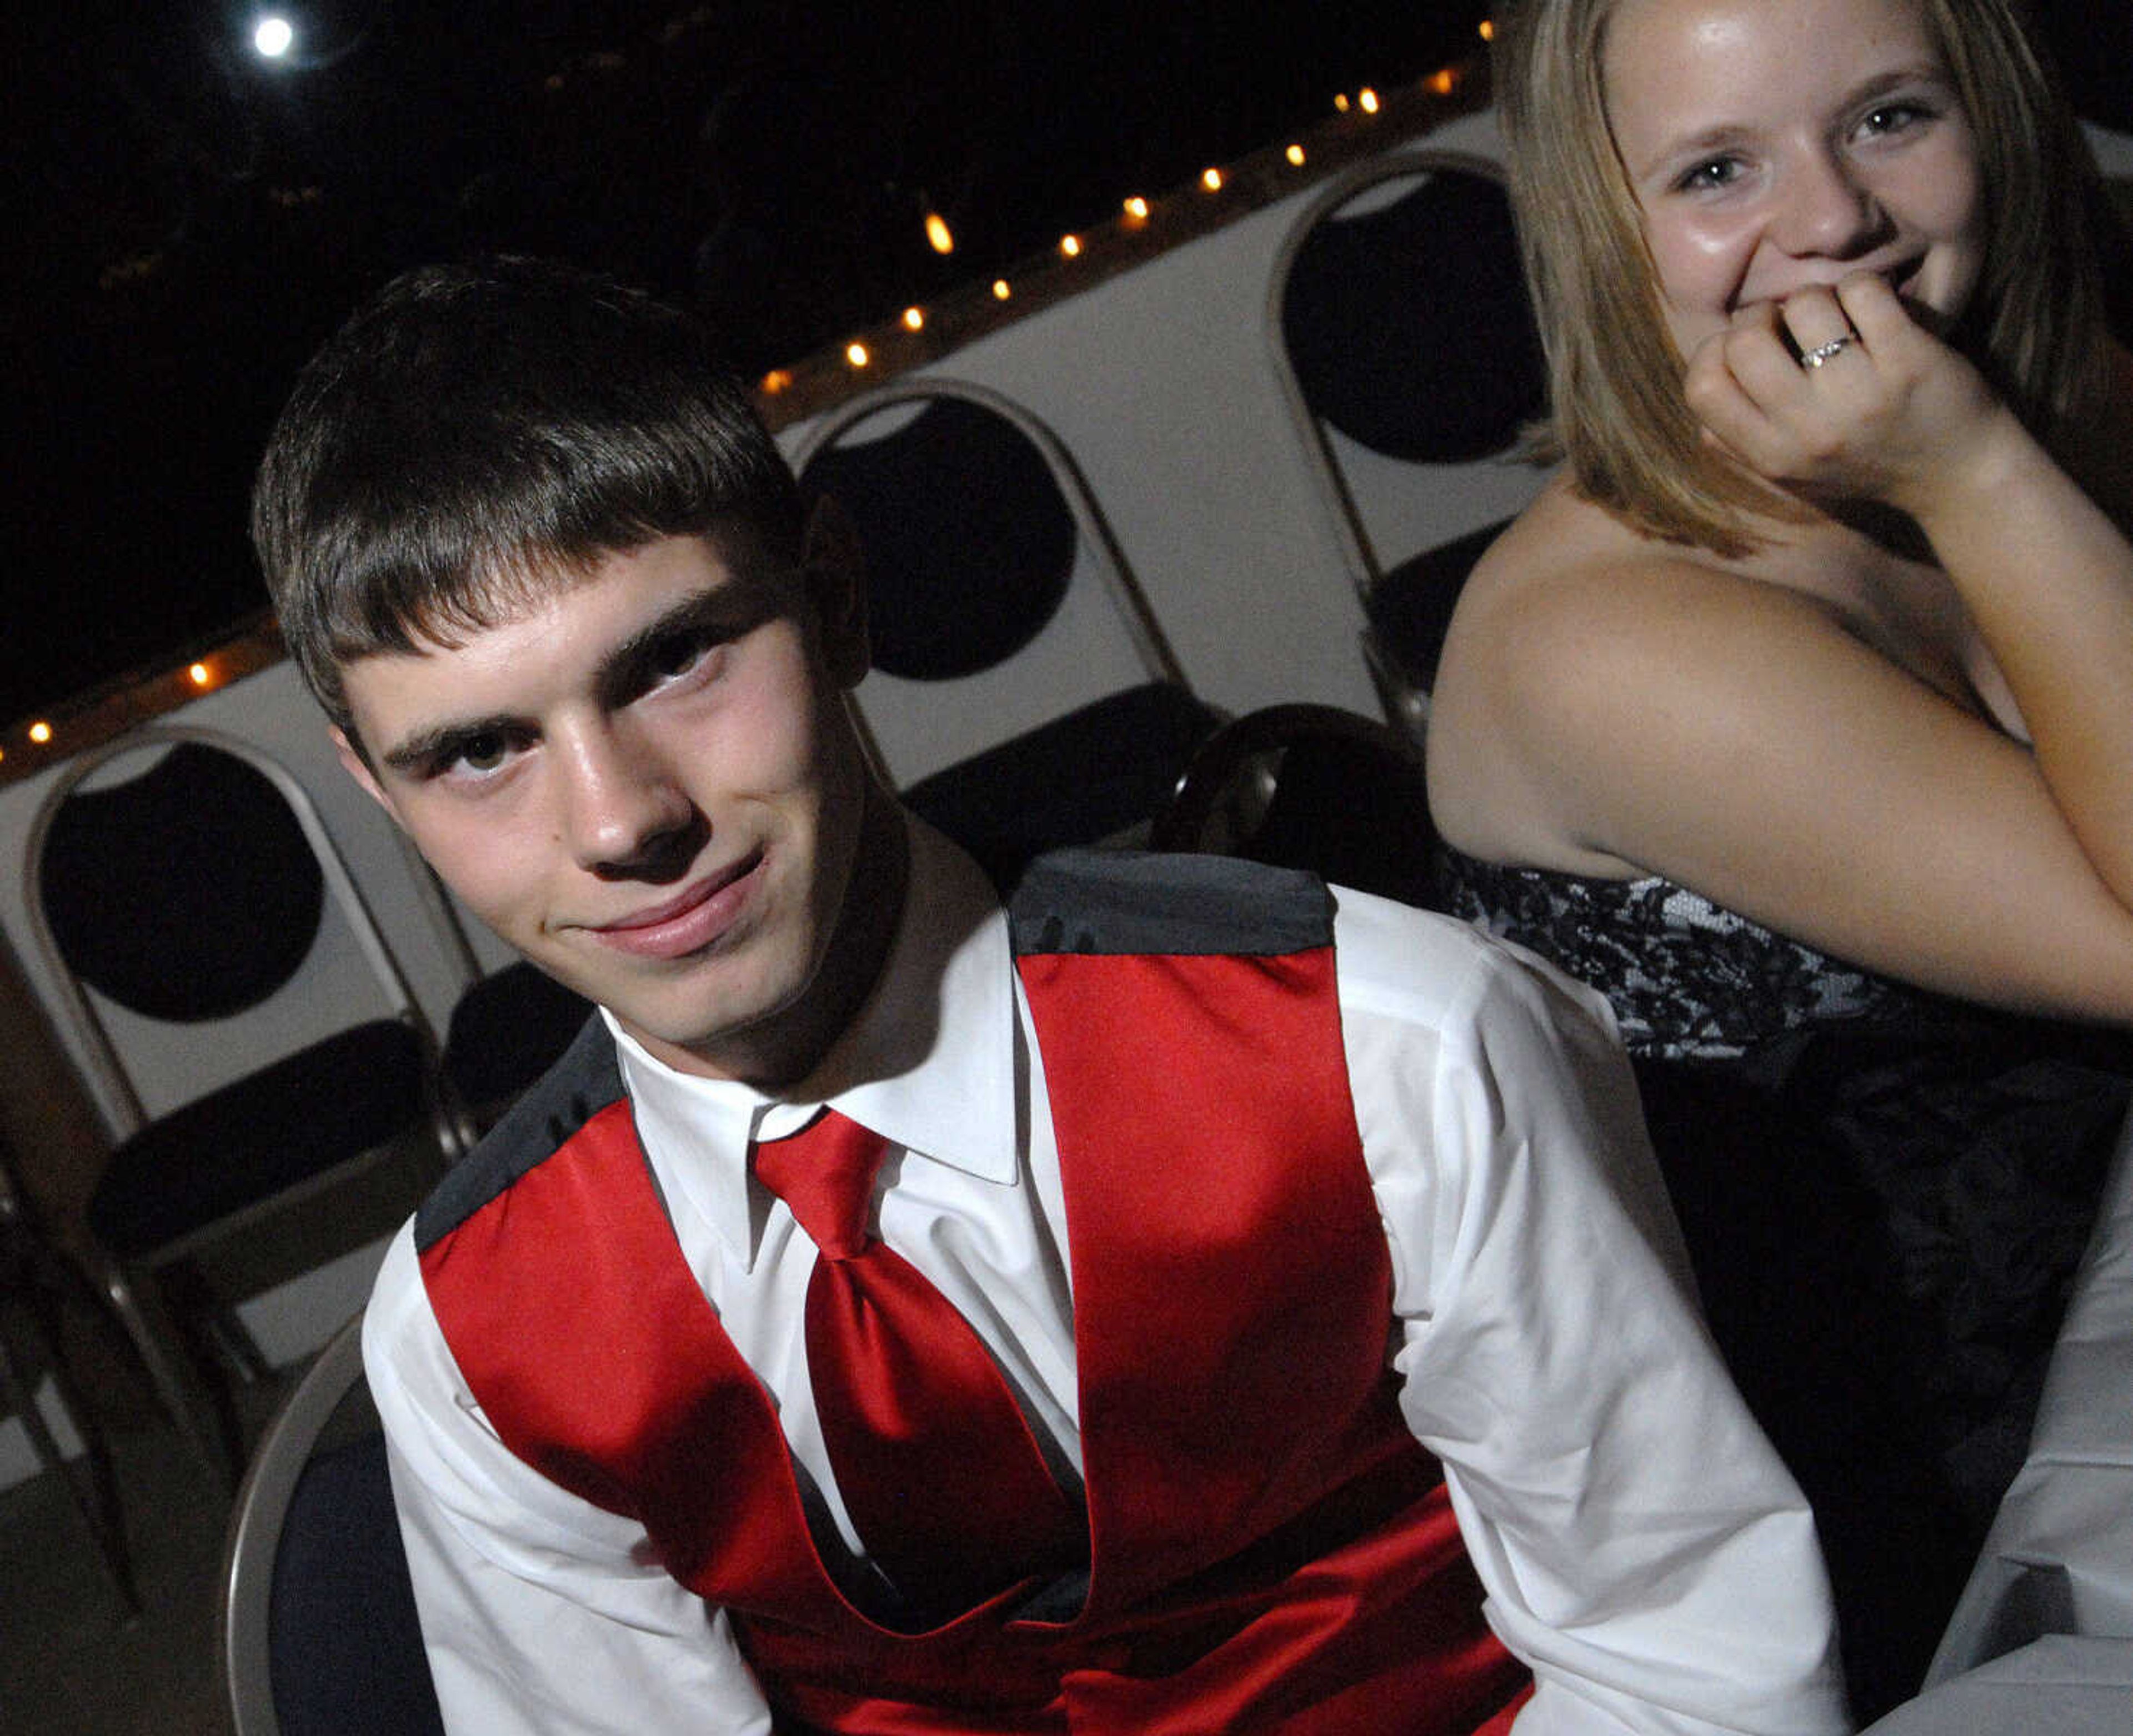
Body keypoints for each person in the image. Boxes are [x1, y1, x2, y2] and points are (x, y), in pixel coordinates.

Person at [250, 256, 1847, 1734]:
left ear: (834, 597)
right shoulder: (474, 1338)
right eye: (477, 752)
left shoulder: (1389, 1048)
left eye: (674, 660)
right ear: (383, 801)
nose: (618, 824)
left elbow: (1692, 1666)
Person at [1426, 0, 2133, 1713]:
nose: (1830, 223)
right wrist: (1973, 477)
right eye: (1718, 168)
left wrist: (1985, 456)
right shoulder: (1609, 643)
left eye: (1892, 116)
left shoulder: (2051, 391)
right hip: (1960, 1528)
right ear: (1607, 232)